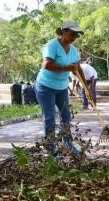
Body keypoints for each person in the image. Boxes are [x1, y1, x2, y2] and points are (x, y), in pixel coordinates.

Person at [35, 20, 89, 153]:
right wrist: (66, 68)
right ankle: (50, 148)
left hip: (62, 88)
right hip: (45, 87)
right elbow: (46, 64)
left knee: (66, 116)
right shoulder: (52, 45)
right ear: (64, 31)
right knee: (50, 117)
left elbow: (78, 69)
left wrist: (87, 89)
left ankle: (68, 144)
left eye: (77, 35)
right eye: (72, 34)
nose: (74, 37)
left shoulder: (73, 50)